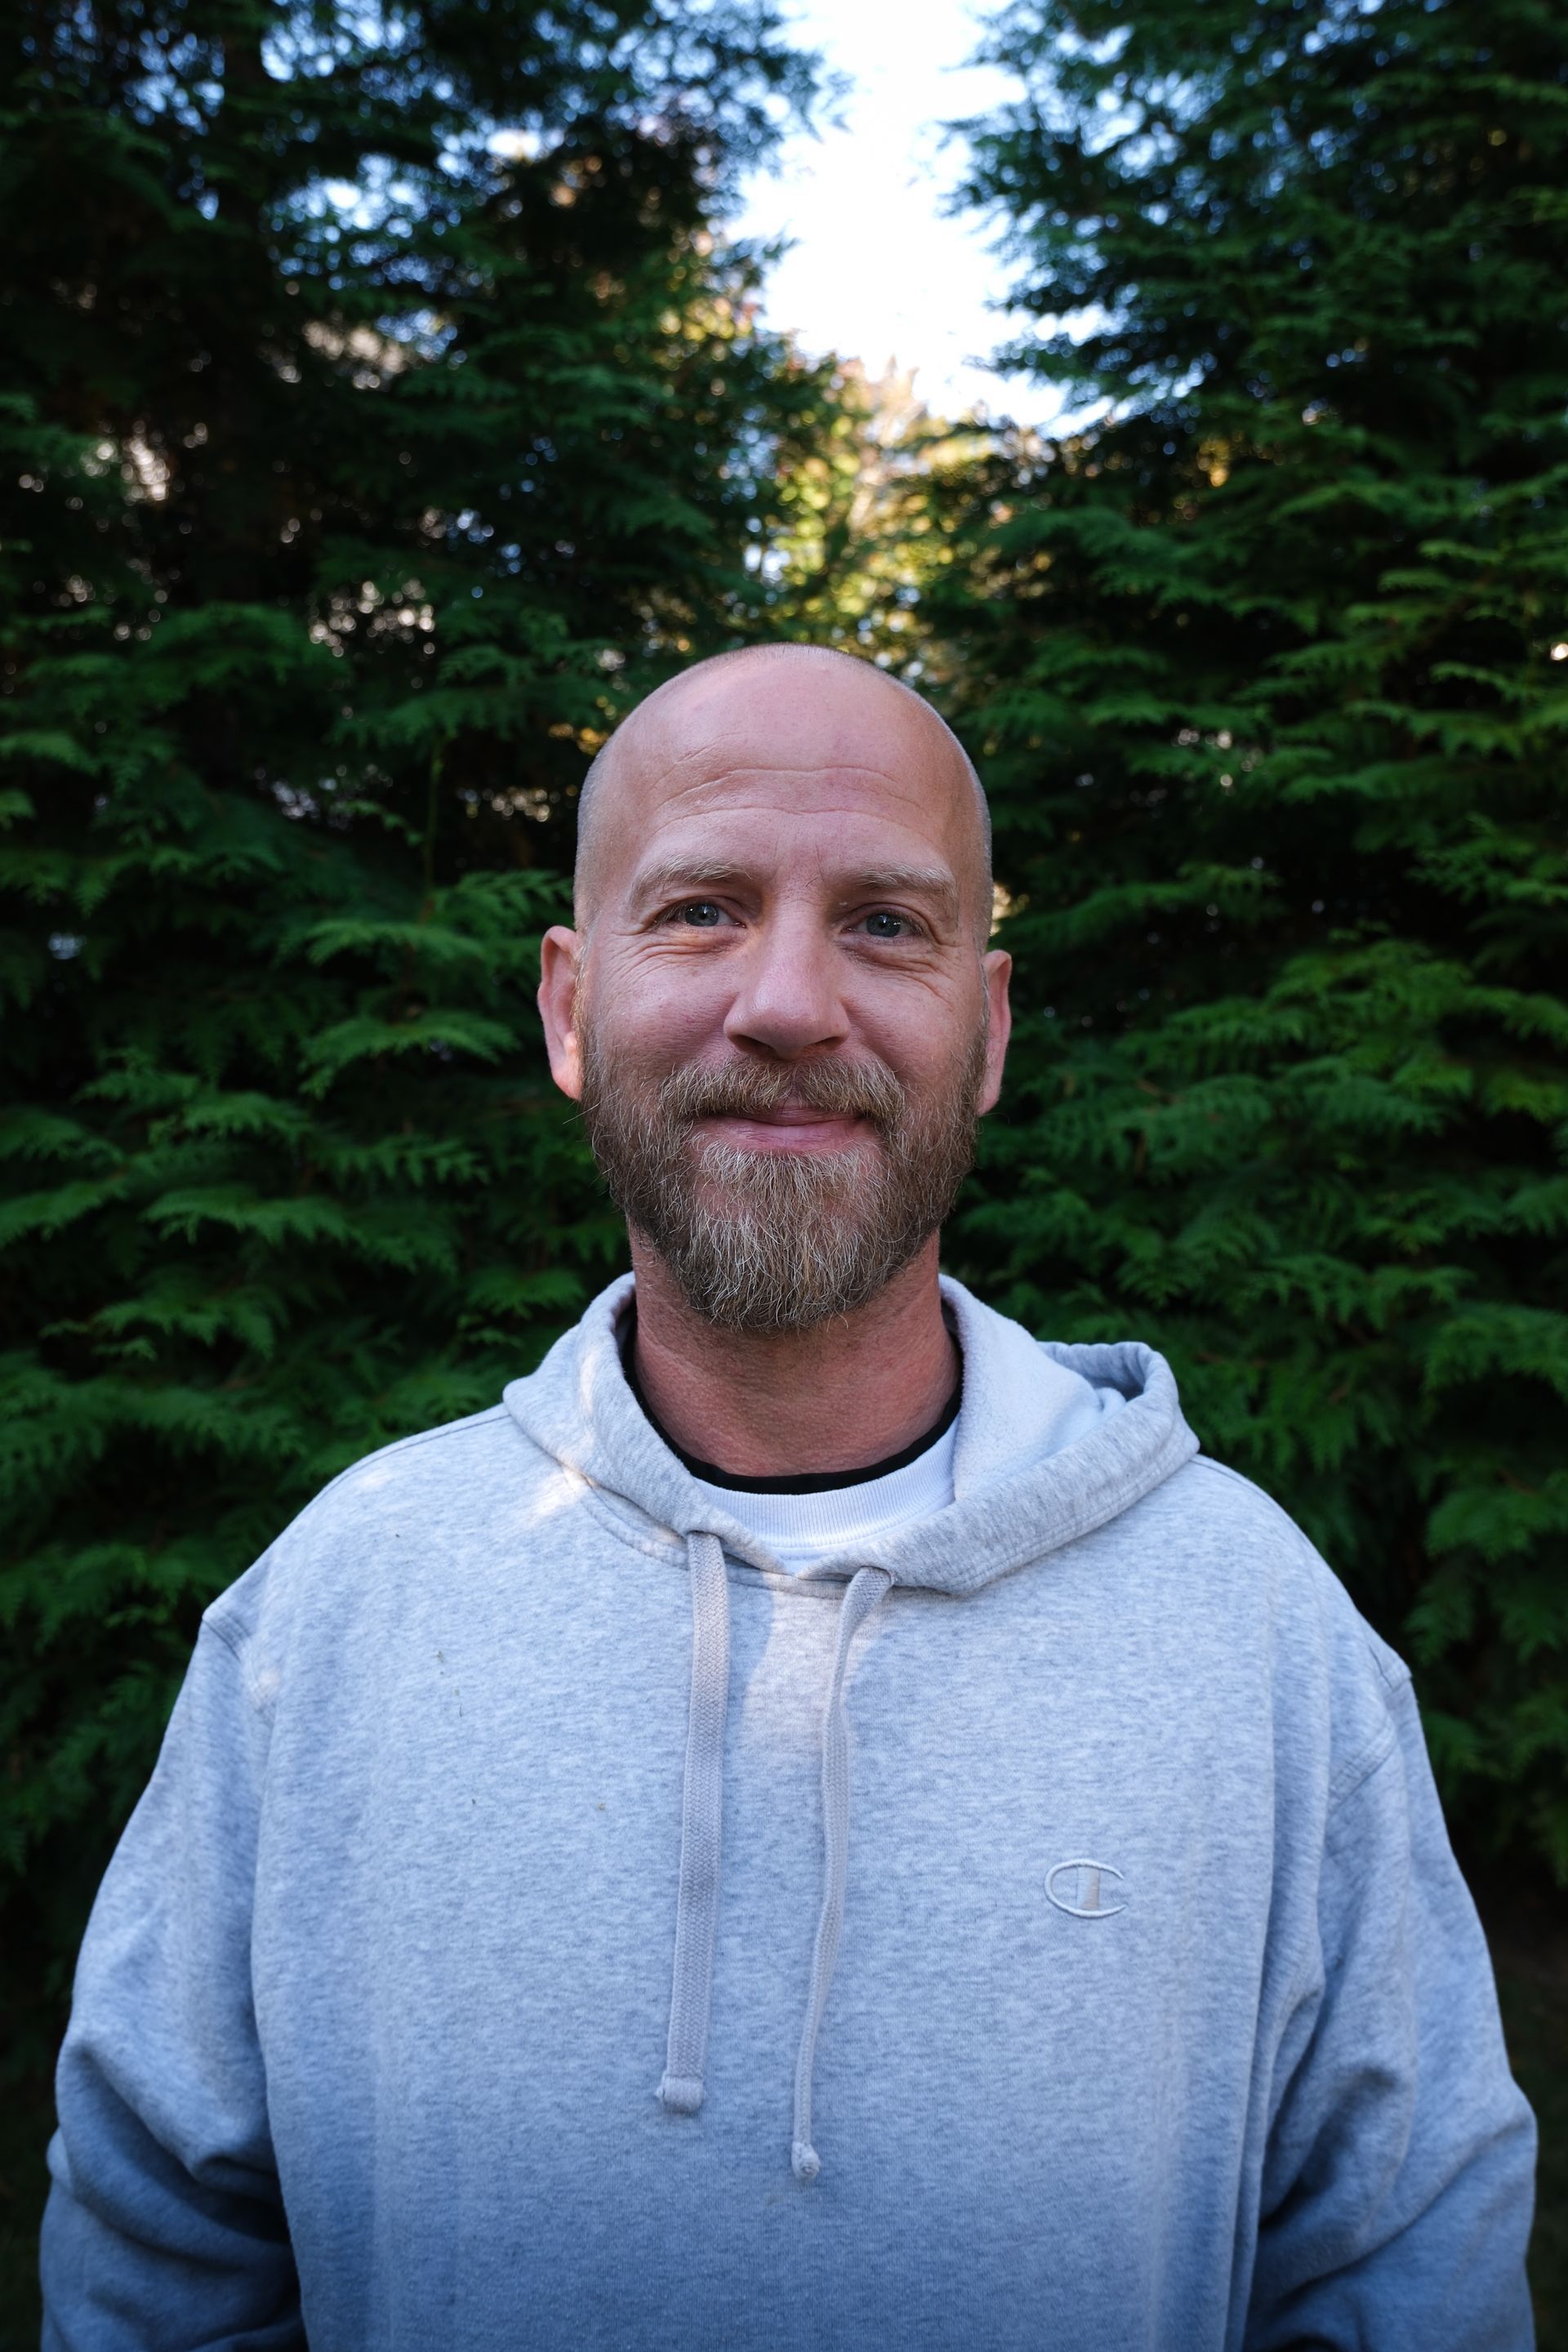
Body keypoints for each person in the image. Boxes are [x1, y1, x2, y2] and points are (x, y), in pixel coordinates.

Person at [42, 645, 1535, 2350]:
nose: (788, 1003)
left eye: (888, 924)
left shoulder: (1257, 1630)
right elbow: (158, 2262)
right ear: (567, 1006)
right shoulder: (333, 1607)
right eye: (699, 911)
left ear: (983, 1033)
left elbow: (1406, 2278)